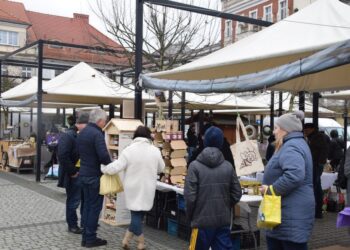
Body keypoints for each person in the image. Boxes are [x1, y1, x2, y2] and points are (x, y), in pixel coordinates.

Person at [101, 126, 165, 249]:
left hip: (132, 187)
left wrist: (104, 168)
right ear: (148, 136)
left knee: (136, 215)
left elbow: (117, 166)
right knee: (139, 215)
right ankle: (141, 242)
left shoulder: (129, 150)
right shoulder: (155, 150)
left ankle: (126, 240)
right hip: (148, 187)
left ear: (135, 136)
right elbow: (161, 168)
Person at [262, 111, 314, 250]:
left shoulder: (291, 146)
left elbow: (295, 175)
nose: (274, 131)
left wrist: (271, 190)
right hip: (287, 213)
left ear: (285, 129)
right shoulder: (293, 143)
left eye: (276, 128)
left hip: (291, 214)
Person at [184, 126, 242, 250]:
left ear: (205, 142)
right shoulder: (228, 166)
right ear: (221, 143)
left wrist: (190, 216)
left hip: (200, 222)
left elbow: (190, 197)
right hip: (222, 220)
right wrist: (225, 203)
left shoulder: (194, 166)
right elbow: (237, 193)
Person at [78, 108, 111, 248]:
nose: (105, 123)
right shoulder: (97, 134)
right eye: (105, 121)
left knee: (86, 206)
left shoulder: (83, 132)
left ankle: (85, 237)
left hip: (84, 174)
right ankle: (90, 239)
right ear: (100, 121)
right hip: (94, 176)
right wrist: (111, 164)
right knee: (94, 208)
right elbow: (103, 156)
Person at [57, 112, 89, 234]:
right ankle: (72, 225)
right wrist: (73, 172)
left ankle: (84, 223)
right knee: (73, 201)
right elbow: (62, 155)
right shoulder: (69, 136)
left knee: (84, 200)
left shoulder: (81, 135)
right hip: (74, 175)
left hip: (84, 173)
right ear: (79, 124)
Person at [304, 123, 330, 219]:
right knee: (316, 185)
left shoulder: (318, 137)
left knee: (315, 186)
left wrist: (320, 163)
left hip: (316, 165)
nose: (305, 131)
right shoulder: (311, 137)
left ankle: (318, 210)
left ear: (312, 129)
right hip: (314, 164)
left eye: (307, 129)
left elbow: (324, 150)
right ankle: (317, 210)